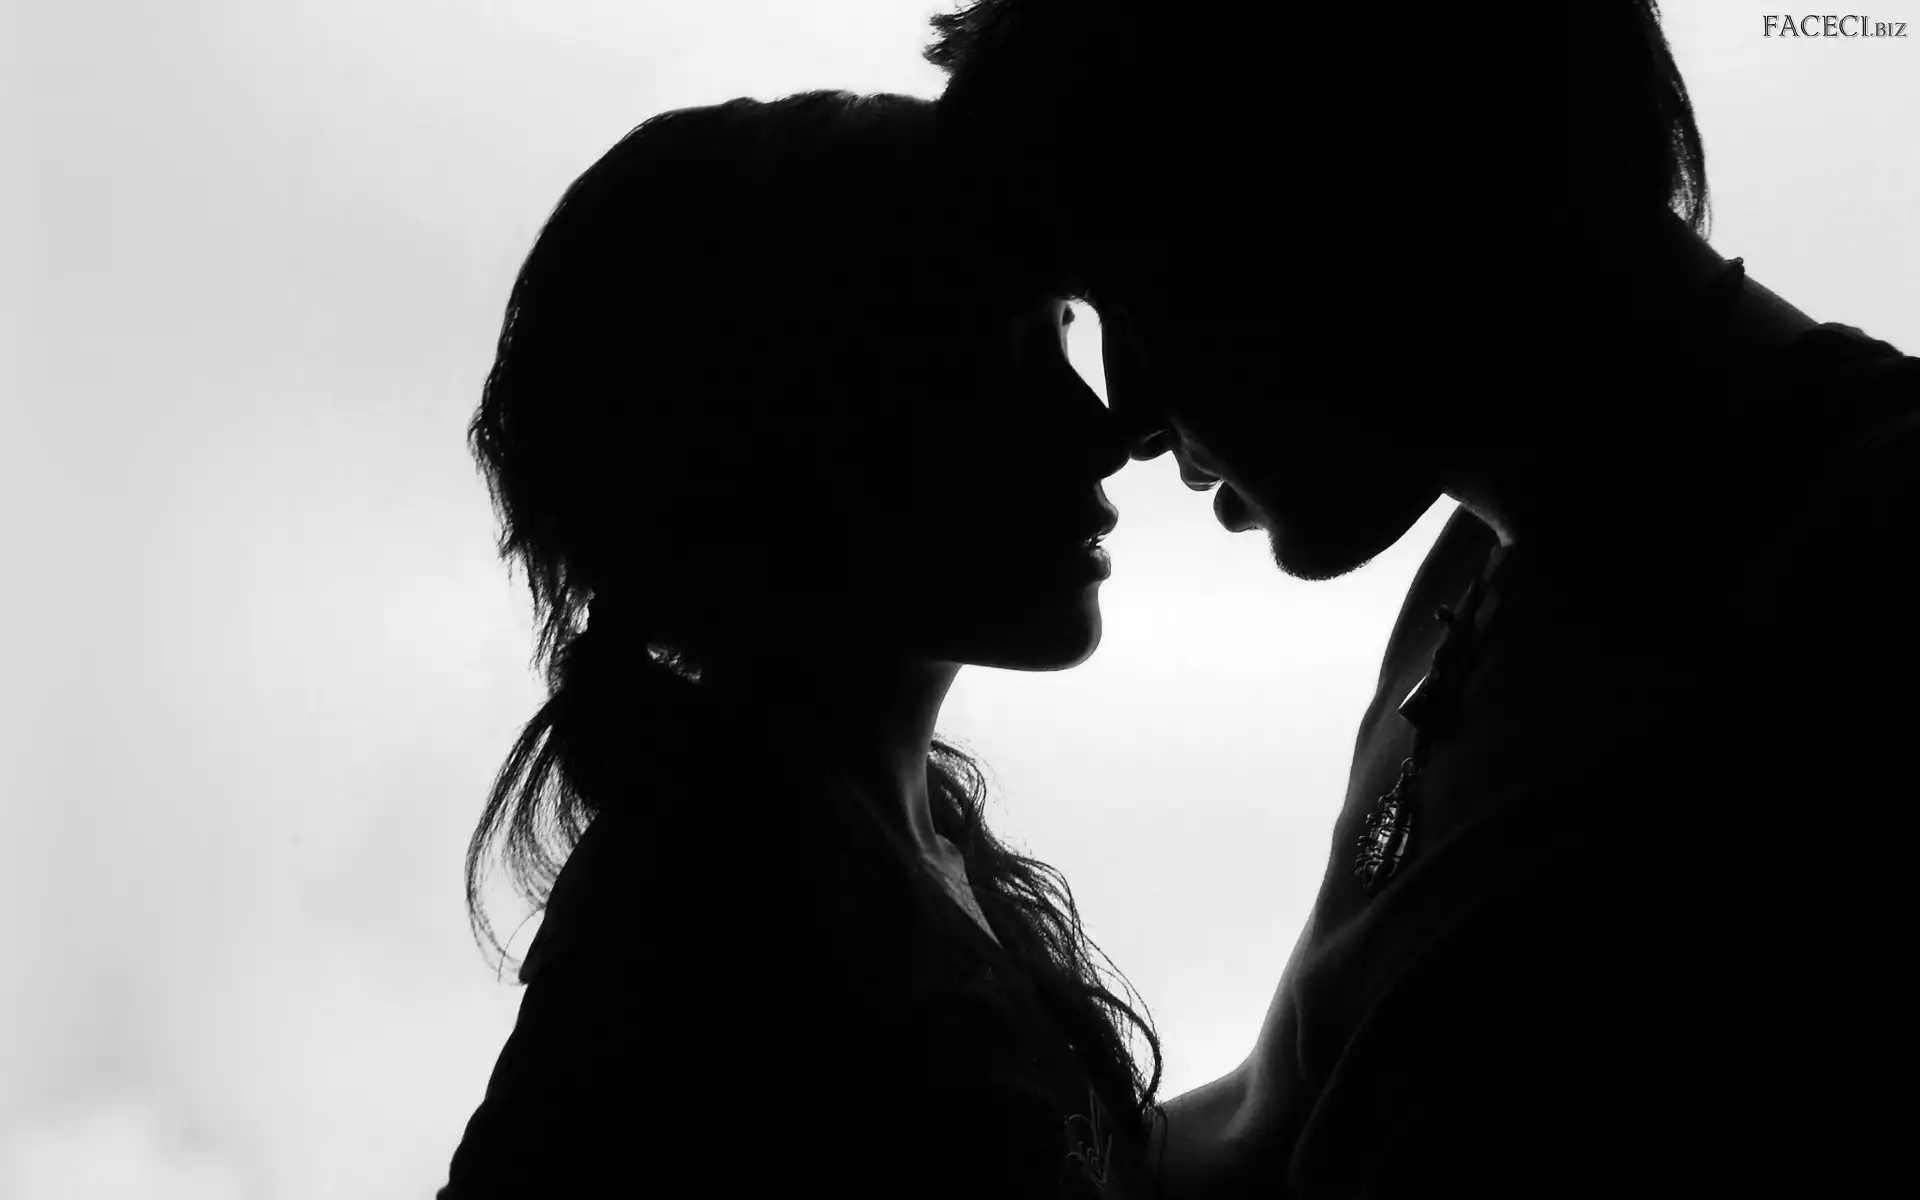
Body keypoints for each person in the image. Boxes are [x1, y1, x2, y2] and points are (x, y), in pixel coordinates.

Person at [927, 2, 1920, 1194]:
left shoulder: (1876, 580)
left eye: (1142, 295)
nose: (1129, 418)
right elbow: (1276, 1119)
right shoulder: (1484, 566)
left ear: (1358, 188)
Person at [437, 90, 1167, 1198]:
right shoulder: (708, 923)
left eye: (1063, 336)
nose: (1100, 430)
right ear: (801, 433)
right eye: (997, 366)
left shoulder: (883, 850)